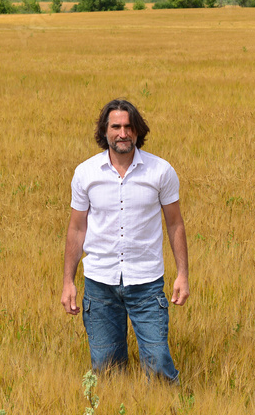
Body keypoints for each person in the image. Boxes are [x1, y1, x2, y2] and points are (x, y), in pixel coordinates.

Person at [61, 98, 190, 383]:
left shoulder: (160, 171)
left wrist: (183, 274)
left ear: (137, 131)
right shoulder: (86, 173)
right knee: (107, 371)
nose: (123, 133)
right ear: (104, 131)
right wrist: (68, 281)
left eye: (129, 127)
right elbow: (76, 229)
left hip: (146, 282)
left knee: (158, 366)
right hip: (100, 284)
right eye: (116, 126)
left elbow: (175, 223)